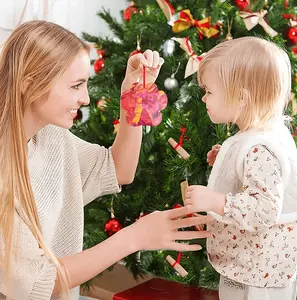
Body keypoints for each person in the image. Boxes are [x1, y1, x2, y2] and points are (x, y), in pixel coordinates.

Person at [0, 20, 212, 300]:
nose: (86, 99)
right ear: (30, 84)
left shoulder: (50, 137)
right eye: (76, 86)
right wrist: (134, 237)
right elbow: (38, 282)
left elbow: (118, 170)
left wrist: (131, 94)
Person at [184, 36, 297, 300]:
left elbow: (264, 210)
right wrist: (225, 157)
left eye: (209, 91)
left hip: (258, 274)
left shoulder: (260, 149)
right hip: (257, 267)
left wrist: (216, 201)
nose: (204, 98)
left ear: (241, 98)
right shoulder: (264, 133)